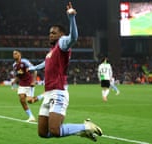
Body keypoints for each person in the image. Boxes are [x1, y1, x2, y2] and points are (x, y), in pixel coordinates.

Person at [29, 2, 102, 142]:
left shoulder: (63, 43)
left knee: (55, 130)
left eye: (53, 33)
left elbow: (73, 38)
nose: (50, 35)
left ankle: (85, 126)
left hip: (58, 92)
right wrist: (34, 68)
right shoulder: (52, 51)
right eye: (50, 33)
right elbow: (46, 63)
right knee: (43, 133)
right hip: (48, 93)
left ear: (61, 34)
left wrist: (71, 18)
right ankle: (81, 131)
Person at [12, 49, 37, 122]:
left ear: (19, 54)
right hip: (22, 84)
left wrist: (34, 81)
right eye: (13, 54)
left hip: (29, 83)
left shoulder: (25, 62)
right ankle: (31, 116)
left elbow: (34, 70)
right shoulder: (14, 65)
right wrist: (14, 81)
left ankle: (43, 95)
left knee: (30, 101)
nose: (14, 55)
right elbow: (18, 75)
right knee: (22, 99)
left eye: (16, 53)